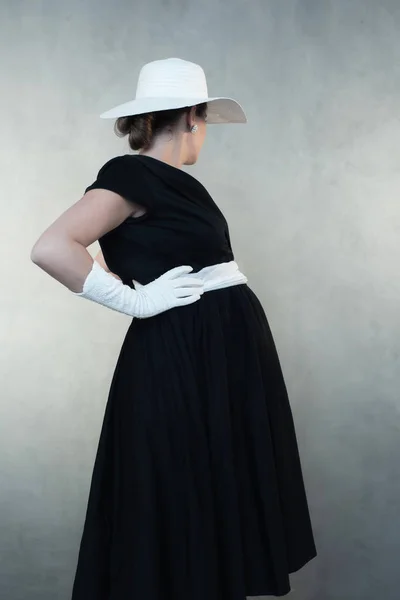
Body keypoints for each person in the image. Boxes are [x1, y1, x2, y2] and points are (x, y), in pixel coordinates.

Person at [31, 58, 317, 599]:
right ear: (192, 117)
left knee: (207, 495)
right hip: (183, 357)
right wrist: (131, 302)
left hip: (213, 357)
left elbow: (125, 252)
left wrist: (134, 283)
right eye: (205, 121)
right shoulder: (131, 175)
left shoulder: (172, 184)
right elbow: (52, 248)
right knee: (179, 490)